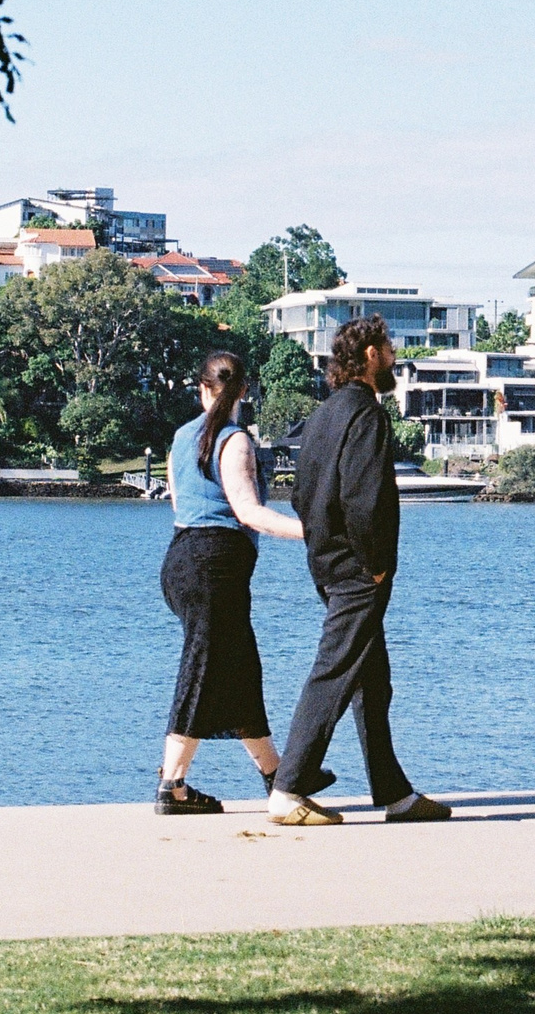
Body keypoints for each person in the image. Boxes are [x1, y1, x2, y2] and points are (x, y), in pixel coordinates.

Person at [267, 315, 450, 826]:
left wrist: (322, 546)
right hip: (357, 569)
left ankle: (395, 794)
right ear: (370, 355)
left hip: (327, 562)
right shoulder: (367, 413)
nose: (393, 355)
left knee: (373, 679)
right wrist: (375, 566)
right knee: (334, 671)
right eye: (388, 347)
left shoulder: (323, 414)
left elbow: (300, 494)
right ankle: (287, 788)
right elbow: (363, 498)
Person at [154, 351, 306, 815]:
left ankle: (277, 776)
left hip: (182, 560)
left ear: (201, 388)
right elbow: (248, 512)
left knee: (239, 668)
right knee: (202, 668)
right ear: (244, 392)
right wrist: (313, 532)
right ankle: (172, 785)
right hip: (214, 568)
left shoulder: (180, 437)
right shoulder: (236, 441)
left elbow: (179, 503)